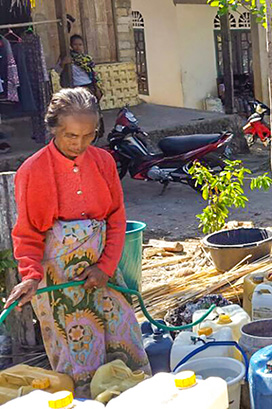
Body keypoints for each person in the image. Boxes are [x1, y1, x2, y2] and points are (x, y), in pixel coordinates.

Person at [4, 88, 150, 398]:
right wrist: (30, 276)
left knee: (123, 337)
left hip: (102, 272)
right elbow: (27, 232)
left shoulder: (103, 162)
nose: (80, 144)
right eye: (71, 136)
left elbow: (115, 217)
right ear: (54, 128)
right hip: (58, 280)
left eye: (88, 136)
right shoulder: (32, 171)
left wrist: (106, 267)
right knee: (77, 353)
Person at [56, 35, 104, 138]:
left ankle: (96, 134)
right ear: (71, 45)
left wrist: (97, 88)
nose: (77, 47)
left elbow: (94, 75)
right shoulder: (67, 58)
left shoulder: (87, 59)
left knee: (93, 112)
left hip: (89, 86)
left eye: (80, 45)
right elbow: (57, 70)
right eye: (75, 44)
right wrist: (63, 63)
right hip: (76, 88)